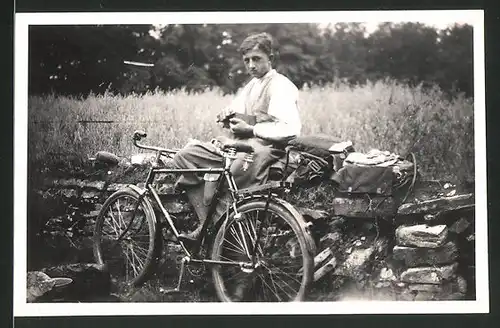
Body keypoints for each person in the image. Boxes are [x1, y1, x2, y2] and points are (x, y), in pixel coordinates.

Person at [172, 32, 302, 241]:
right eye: (247, 60)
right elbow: (240, 116)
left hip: (267, 149)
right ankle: (207, 226)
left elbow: (290, 130)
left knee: (233, 171)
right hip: (241, 144)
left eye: (257, 59)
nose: (251, 65)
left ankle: (225, 233)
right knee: (186, 157)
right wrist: (227, 118)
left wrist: (250, 131)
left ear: (271, 57)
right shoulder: (251, 86)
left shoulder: (281, 86)